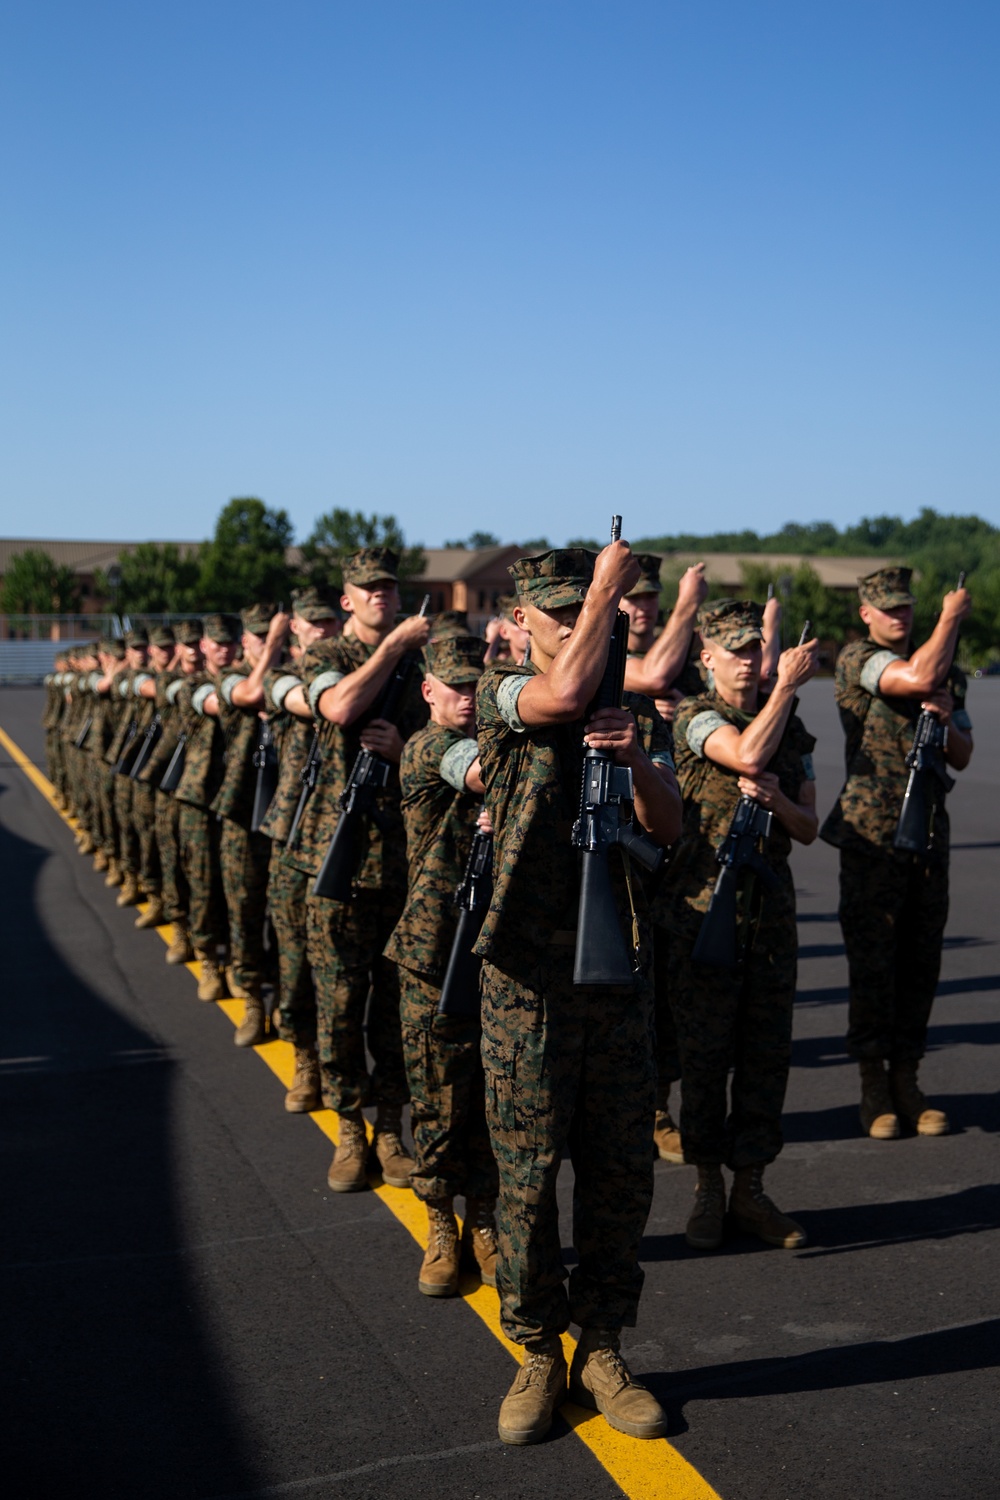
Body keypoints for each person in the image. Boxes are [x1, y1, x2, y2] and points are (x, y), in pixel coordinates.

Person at [475, 542, 681, 1446]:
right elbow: (557, 698)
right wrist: (606, 588)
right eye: (559, 616)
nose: (579, 628)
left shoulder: (627, 710)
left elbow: (670, 826)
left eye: (585, 612)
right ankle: (534, 1352)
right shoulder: (505, 694)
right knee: (524, 1186)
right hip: (528, 986)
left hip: (615, 980)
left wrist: (637, 762)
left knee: (617, 1175)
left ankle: (601, 1347)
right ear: (523, 623)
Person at [663, 599, 818, 1253]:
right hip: (704, 914)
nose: (752, 662)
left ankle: (750, 1188)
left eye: (758, 649)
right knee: (704, 1060)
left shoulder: (793, 723)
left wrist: (779, 801)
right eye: (737, 651)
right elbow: (748, 753)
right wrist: (785, 685)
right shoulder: (698, 718)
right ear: (706, 658)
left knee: (763, 1056)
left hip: (768, 916)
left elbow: (809, 826)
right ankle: (707, 1188)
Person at [287, 548, 430, 1191]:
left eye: (389, 588)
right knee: (341, 1004)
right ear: (346, 599)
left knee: (398, 1009)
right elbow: (341, 708)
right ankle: (349, 1128)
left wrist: (409, 751)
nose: (381, 596)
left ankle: (390, 1128)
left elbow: (449, 744)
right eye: (368, 588)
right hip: (336, 862)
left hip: (403, 864)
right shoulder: (324, 658)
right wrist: (392, 649)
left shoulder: (427, 669)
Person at [819, 568, 973, 1138]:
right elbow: (913, 678)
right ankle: (872, 1086)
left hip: (928, 834)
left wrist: (942, 720)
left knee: (920, 960)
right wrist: (952, 616)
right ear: (865, 613)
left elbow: (962, 752)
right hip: (873, 838)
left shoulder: (948, 674)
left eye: (906, 607)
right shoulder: (859, 660)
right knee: (873, 962)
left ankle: (908, 1078)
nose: (899, 616)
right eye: (887, 609)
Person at [384, 635, 499, 1297]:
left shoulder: (485, 741)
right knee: (437, 1095)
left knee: (486, 1092)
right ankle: (439, 1221)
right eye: (453, 687)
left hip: (487, 947)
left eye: (473, 687)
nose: (465, 698)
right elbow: (481, 773)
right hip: (432, 950)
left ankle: (483, 1216)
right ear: (428, 691)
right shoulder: (430, 746)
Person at [620, 555, 708, 1162]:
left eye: (653, 599)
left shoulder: (689, 653)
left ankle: (659, 1107)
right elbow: (650, 677)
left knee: (671, 991)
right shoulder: (606, 655)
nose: (643, 608)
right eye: (635, 597)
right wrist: (688, 602)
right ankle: (634, 1109)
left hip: (681, 841)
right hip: (620, 843)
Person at [261, 585, 341, 1111]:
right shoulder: (284, 678)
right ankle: (305, 1059)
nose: (321, 630)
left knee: (343, 980)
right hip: (294, 836)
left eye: (327, 622)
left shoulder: (360, 671)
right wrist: (269, 644)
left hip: (349, 838)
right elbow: (321, 705)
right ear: (295, 629)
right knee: (295, 968)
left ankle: (344, 1085)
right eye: (311, 624)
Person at [173, 614, 240, 1002]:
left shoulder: (249, 680)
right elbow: (221, 703)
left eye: (230, 641)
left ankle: (235, 961)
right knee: (202, 881)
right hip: (200, 796)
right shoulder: (194, 685)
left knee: (239, 890)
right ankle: (208, 959)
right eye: (217, 642)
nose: (224, 648)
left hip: (242, 797)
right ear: (203, 646)